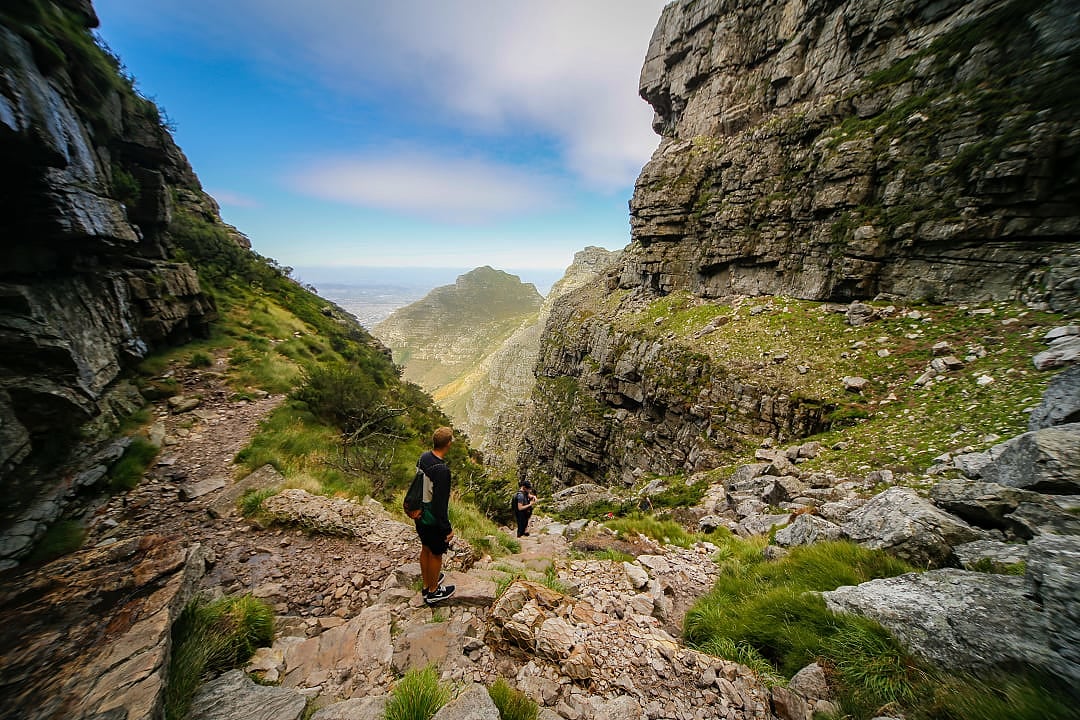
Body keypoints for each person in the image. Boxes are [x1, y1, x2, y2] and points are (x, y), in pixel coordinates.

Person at [416, 426, 455, 604]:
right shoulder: (442, 471)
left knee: (425, 548)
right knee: (436, 553)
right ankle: (433, 592)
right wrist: (446, 528)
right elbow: (440, 504)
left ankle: (427, 584)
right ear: (448, 443)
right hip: (432, 517)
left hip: (420, 513)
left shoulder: (424, 457)